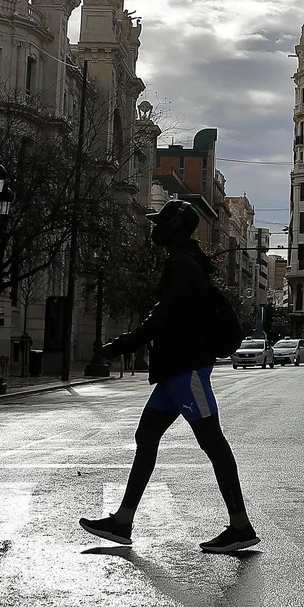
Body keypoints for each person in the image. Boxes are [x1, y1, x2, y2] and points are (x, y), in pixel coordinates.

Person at [80, 200, 257, 554]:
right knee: (146, 435)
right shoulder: (184, 262)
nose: (153, 227)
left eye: (159, 222)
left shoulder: (183, 265)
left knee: (213, 443)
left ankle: (240, 526)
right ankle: (123, 521)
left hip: (186, 370)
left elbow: (162, 317)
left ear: (175, 227)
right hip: (174, 372)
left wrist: (120, 346)